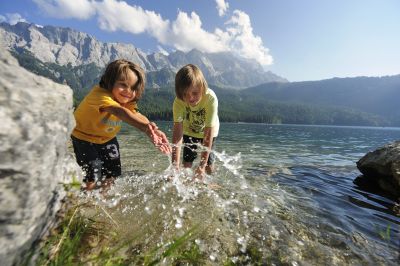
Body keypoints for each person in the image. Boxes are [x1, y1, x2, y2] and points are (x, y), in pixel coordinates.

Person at [71, 59, 171, 191]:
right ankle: (84, 199)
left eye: (134, 88)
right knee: (93, 173)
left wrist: (153, 129)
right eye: (123, 85)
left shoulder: (126, 100)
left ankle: (103, 197)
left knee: (113, 171)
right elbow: (120, 112)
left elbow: (135, 114)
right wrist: (145, 129)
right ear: (110, 81)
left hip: (107, 138)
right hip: (83, 137)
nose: (128, 91)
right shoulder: (100, 95)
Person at [171, 64, 219, 180]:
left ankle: (209, 182)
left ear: (202, 87)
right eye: (185, 94)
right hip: (189, 132)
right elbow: (177, 133)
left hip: (209, 132)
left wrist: (201, 166)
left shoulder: (210, 98)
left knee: (208, 166)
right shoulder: (178, 102)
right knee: (186, 165)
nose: (190, 98)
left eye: (195, 93)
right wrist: (174, 166)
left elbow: (208, 133)